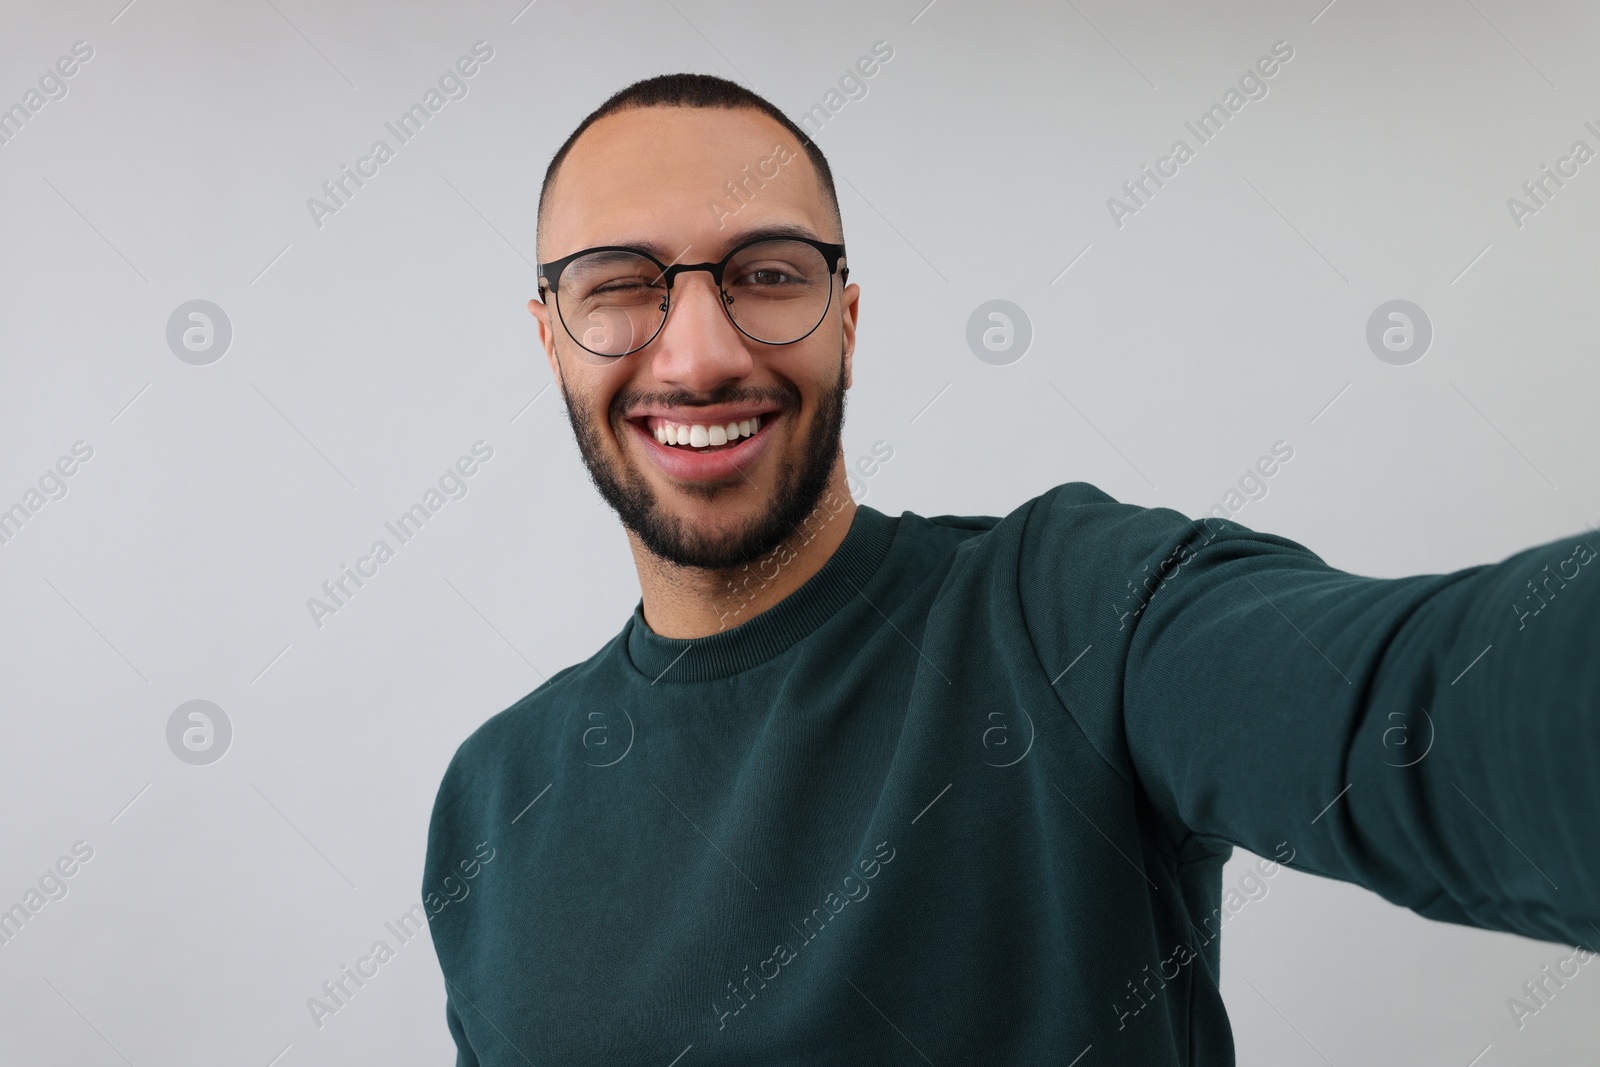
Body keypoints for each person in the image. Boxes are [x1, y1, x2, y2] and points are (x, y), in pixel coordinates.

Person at [422, 73, 1598, 1065]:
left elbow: (1416, 706)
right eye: (620, 284)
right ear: (550, 336)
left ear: (845, 317)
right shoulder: (490, 802)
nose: (700, 350)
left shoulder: (1070, 611)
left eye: (768, 273)